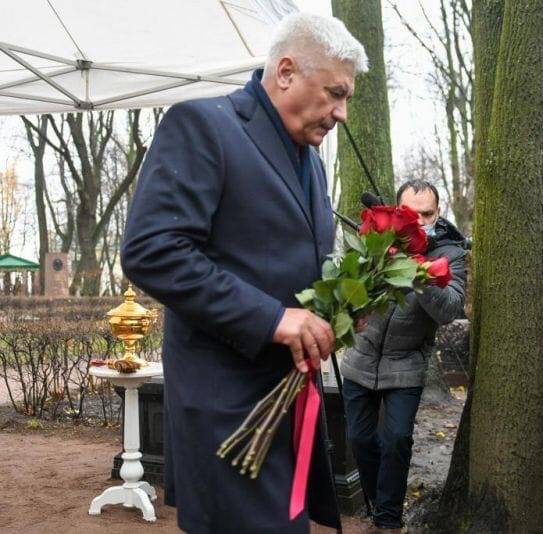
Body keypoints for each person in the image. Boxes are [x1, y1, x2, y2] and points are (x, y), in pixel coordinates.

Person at [121, 13, 368, 533]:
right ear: (284, 72)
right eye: (335, 93)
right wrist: (274, 318)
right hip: (227, 410)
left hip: (285, 403)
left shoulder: (312, 162)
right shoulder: (204, 126)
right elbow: (152, 250)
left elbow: (288, 264)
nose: (342, 113)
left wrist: (341, 308)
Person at [339, 179, 467, 530]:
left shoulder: (452, 253)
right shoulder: (378, 240)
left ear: (438, 212)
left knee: (396, 440)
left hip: (406, 364)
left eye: (428, 213)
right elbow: (348, 287)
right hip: (359, 358)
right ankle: (377, 506)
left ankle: (388, 521)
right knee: (360, 440)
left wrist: (418, 270)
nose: (421, 220)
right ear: (398, 213)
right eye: (412, 214)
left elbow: (450, 309)